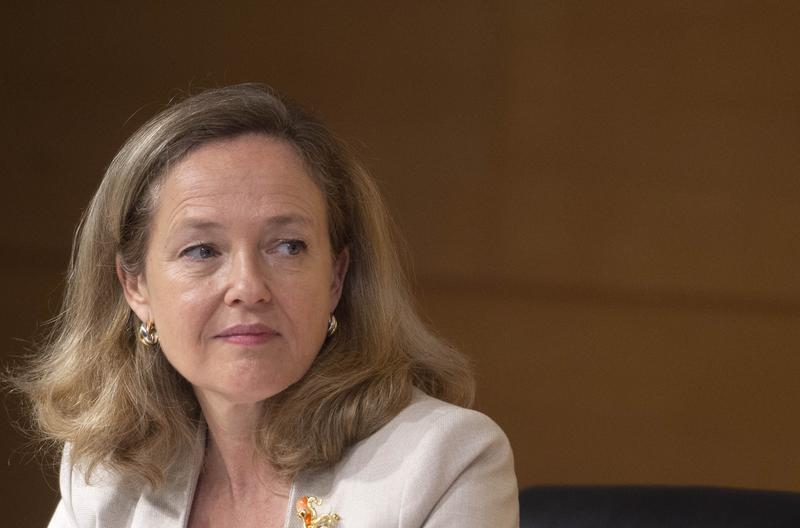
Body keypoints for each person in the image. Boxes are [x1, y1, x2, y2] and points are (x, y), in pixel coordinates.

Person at [16, 84, 518, 527]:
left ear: (336, 277)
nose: (248, 287)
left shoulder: (442, 461)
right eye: (202, 250)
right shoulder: (107, 475)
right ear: (135, 287)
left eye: (288, 247)